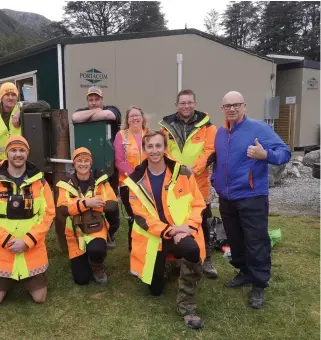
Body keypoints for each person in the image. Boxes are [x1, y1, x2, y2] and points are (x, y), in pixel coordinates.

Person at [212, 91, 291, 309]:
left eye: (236, 105)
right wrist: (214, 179)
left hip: (252, 196)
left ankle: (259, 283)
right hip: (226, 197)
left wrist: (265, 155)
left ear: (244, 106)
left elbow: (285, 152)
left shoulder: (259, 129)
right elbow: (218, 159)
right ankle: (244, 272)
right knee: (235, 240)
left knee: (256, 241)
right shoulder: (220, 133)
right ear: (222, 109)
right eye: (227, 106)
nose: (232, 109)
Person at [124, 130, 206, 329]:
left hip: (184, 232)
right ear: (144, 150)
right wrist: (170, 231)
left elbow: (198, 203)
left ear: (165, 148)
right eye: (150, 146)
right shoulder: (134, 181)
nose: (154, 150)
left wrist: (188, 227)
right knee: (155, 290)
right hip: (157, 236)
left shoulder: (183, 172)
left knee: (192, 250)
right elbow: (141, 218)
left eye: (158, 146)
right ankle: (171, 264)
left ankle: (186, 305)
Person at [0, 136, 55, 304]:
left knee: (40, 298)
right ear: (7, 154)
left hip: (32, 249)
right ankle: (9, 279)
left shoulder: (41, 183)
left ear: (27, 154)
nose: (18, 154)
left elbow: (48, 215)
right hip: (3, 250)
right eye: (13, 150)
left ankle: (25, 279)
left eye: (22, 150)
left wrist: (28, 241)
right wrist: (7, 241)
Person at [159, 89, 218, 279]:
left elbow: (210, 151)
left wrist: (194, 168)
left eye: (190, 102)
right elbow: (163, 151)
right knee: (173, 218)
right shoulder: (166, 127)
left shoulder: (208, 127)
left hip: (198, 183)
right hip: (174, 183)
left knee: (203, 219)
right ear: (176, 105)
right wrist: (178, 169)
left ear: (195, 103)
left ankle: (206, 258)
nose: (186, 106)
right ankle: (174, 258)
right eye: (182, 103)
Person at [56, 147, 118, 285]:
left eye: (86, 161)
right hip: (75, 232)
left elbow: (113, 204)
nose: (83, 164)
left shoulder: (101, 181)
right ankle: (84, 259)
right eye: (79, 161)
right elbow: (62, 209)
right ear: (74, 164)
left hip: (96, 228)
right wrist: (87, 203)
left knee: (96, 249)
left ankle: (97, 265)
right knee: (82, 279)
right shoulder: (65, 184)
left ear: (91, 163)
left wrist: (94, 205)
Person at [71, 86, 122, 248]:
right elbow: (74, 117)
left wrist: (90, 115)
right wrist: (94, 113)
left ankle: (111, 232)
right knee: (88, 197)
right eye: (91, 100)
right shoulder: (82, 111)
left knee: (110, 201)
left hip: (109, 165)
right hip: (87, 165)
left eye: (97, 99)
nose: (93, 103)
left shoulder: (112, 109)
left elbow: (108, 115)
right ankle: (90, 228)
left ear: (102, 99)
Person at [113, 105, 147, 252]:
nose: (134, 118)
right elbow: (119, 160)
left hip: (149, 183)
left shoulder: (150, 134)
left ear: (142, 118)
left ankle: (148, 247)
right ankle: (134, 249)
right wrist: (135, 177)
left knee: (149, 217)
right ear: (127, 120)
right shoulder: (121, 135)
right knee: (134, 217)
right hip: (129, 184)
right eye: (131, 116)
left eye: (137, 115)